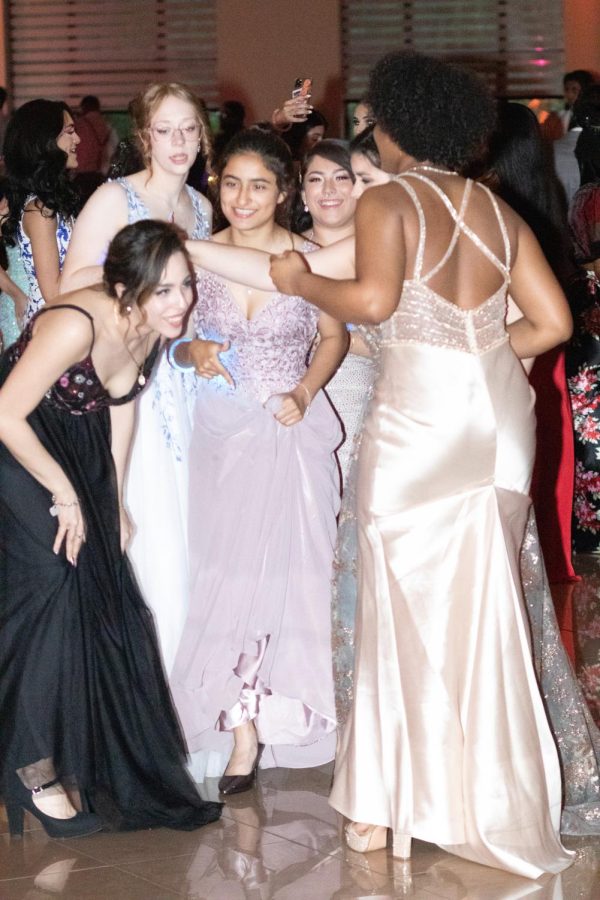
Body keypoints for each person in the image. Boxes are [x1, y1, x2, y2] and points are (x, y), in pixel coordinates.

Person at [269, 51, 574, 879]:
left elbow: (370, 302)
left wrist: (300, 282)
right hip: (499, 416)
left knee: (398, 604)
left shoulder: (392, 199)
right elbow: (549, 325)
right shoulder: (496, 207)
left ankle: (381, 808)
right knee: (483, 607)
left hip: (421, 419)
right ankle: (493, 797)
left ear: (398, 126)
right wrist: (474, 358)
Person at [0, 219, 222, 835]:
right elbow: (5, 414)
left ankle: (86, 766)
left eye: (186, 286)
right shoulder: (76, 322)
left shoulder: (147, 327)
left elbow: (117, 411)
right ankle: (34, 776)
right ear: (126, 290)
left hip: (74, 451)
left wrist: (113, 501)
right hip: (17, 449)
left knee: (104, 592)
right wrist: (68, 495)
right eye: (165, 291)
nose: (181, 303)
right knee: (51, 585)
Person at [170, 128, 347, 791]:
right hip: (219, 433)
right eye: (232, 183)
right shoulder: (199, 254)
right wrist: (195, 353)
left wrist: (304, 389)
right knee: (226, 576)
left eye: (260, 185)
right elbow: (176, 337)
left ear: (285, 191)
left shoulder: (310, 257)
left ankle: (263, 722)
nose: (243, 198)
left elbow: (332, 334)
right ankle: (238, 725)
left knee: (289, 580)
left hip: (287, 431)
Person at [60, 82, 212, 675]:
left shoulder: (200, 208)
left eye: (189, 129)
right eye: (166, 130)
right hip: (133, 382)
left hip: (188, 379)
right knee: (150, 527)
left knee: (194, 529)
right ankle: (147, 693)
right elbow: (69, 287)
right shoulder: (114, 199)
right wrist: (141, 310)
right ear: (145, 137)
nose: (179, 143)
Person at [1, 99, 81, 323]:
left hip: (61, 318)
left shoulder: (48, 202)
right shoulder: (39, 210)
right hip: (52, 324)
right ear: (46, 141)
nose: (78, 139)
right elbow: (53, 292)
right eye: (69, 132)